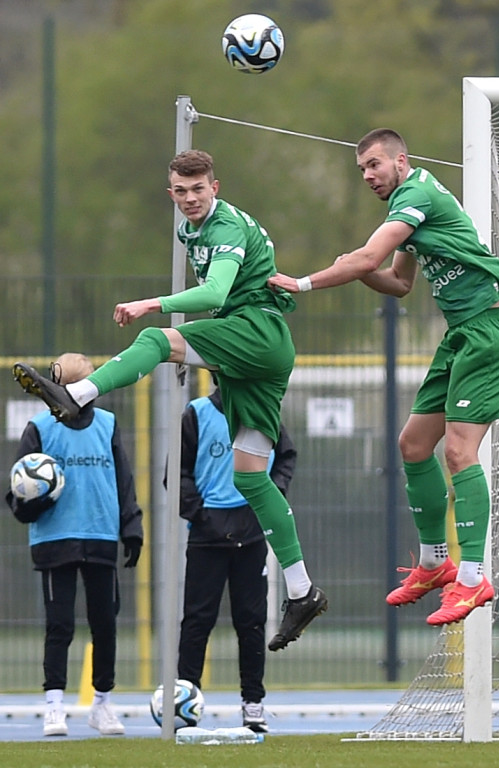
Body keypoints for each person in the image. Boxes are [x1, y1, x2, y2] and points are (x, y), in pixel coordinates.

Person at [11, 149, 326, 652]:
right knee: (249, 476)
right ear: (170, 193)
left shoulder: (223, 228)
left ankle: (75, 395)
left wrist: (152, 303)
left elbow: (218, 293)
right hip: (253, 350)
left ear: (215, 188)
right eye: (180, 191)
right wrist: (202, 350)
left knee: (156, 340)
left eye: (198, 189)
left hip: (258, 333)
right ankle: (302, 589)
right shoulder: (188, 231)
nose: (189, 199)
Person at [269, 128, 499, 626]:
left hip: (489, 335)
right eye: (362, 169)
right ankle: (435, 563)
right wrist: (357, 266)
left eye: (374, 165)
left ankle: (473, 580)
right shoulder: (407, 210)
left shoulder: (417, 194)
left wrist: (304, 282)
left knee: (458, 452)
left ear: (400, 160)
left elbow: (369, 258)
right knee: (413, 445)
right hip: (461, 335)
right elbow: (399, 283)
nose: (368, 175)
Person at [4, 353, 143, 737]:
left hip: (100, 534)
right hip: (55, 537)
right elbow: (18, 487)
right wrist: (32, 504)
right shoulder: (38, 428)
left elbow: (123, 479)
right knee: (60, 624)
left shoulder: (108, 425)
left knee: (105, 624)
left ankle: (102, 703)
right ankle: (54, 706)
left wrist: (131, 526)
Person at [173, 386, 296, 733]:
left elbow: (286, 456)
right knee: (197, 620)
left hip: (251, 533)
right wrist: (199, 514)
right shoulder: (195, 414)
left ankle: (253, 703)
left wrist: (269, 499)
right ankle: (187, 702)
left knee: (251, 621)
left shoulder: (261, 408)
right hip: (206, 536)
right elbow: (178, 471)